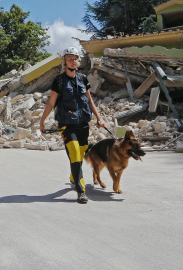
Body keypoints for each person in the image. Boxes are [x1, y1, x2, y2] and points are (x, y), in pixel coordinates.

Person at [39, 47, 105, 204]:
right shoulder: (59, 81)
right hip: (67, 124)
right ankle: (81, 190)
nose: (73, 61)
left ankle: (73, 175)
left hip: (83, 123)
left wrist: (99, 118)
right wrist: (42, 121)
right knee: (75, 153)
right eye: (70, 58)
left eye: (75, 59)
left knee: (81, 152)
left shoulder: (83, 79)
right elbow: (51, 102)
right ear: (64, 61)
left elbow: (89, 100)